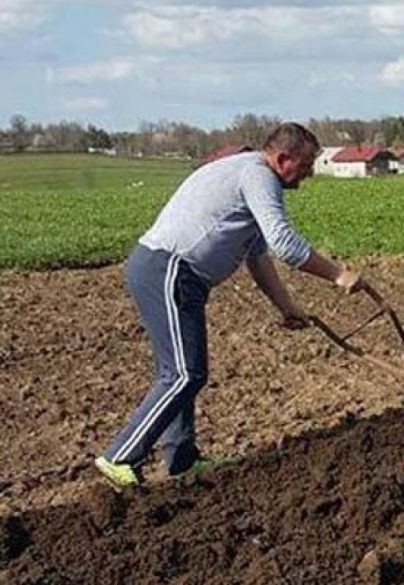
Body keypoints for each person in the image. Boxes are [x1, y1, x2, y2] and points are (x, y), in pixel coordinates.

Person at [94, 122, 363, 488]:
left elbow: (259, 257)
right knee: (185, 374)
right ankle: (119, 456)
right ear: (282, 158)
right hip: (169, 268)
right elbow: (284, 244)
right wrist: (338, 274)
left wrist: (286, 307)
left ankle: (181, 462)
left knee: (179, 374)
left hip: (170, 271)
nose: (309, 173)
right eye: (304, 165)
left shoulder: (246, 174)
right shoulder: (258, 175)